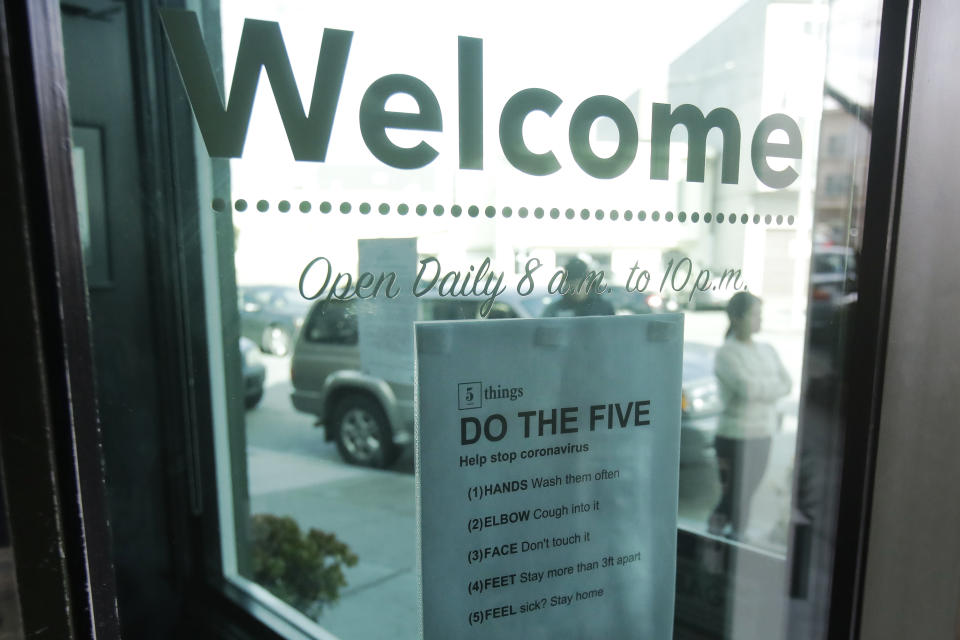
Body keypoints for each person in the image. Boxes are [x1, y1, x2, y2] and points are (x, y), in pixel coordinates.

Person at [708, 291, 790, 540]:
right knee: (734, 495)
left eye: (760, 315)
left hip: (762, 433)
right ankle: (716, 537)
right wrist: (768, 387)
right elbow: (747, 389)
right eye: (754, 315)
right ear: (737, 318)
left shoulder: (767, 349)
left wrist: (762, 388)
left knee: (749, 492)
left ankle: (734, 537)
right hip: (735, 436)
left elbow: (787, 383)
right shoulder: (727, 353)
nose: (759, 320)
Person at [541, 257, 615, 317]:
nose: (576, 290)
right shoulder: (554, 310)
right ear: (566, 286)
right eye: (572, 286)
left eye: (580, 285)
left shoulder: (604, 308)